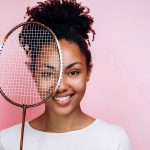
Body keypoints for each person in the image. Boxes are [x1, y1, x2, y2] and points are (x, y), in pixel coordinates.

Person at [0, 0, 131, 149]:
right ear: (34, 74)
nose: (61, 86)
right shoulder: (7, 141)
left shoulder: (114, 140)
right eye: (48, 74)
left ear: (88, 71)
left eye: (73, 72)